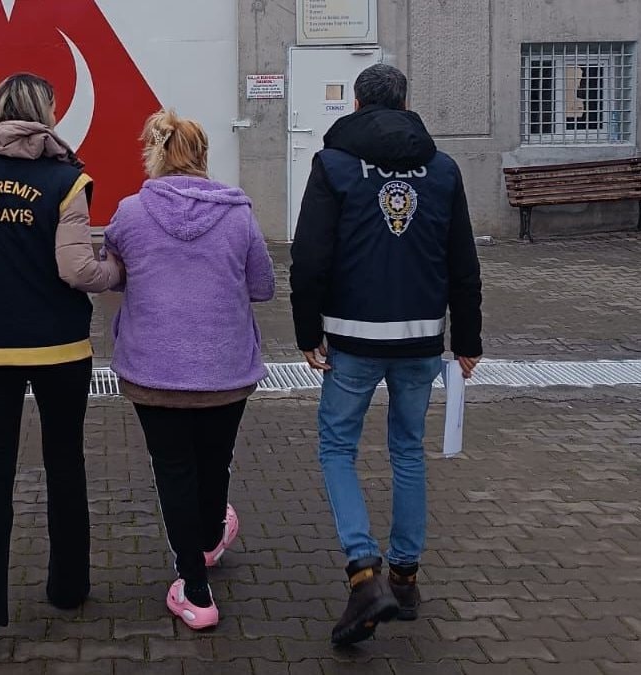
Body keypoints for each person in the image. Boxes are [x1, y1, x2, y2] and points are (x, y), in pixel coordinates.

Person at [289, 64, 484, 646]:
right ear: (404, 103)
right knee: (407, 450)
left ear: (355, 104)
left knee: (336, 448)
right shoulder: (442, 169)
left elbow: (310, 257)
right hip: (421, 338)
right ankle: (404, 577)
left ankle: (363, 572)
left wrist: (307, 330)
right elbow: (463, 261)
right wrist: (467, 340)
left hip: (351, 339)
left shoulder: (334, 165)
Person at [0, 73, 123, 651]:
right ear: (45, 115)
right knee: (64, 461)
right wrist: (117, 272)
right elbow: (76, 269)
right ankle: (68, 587)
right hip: (59, 347)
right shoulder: (69, 181)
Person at [104, 109, 276, 630]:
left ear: (154, 154)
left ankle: (195, 591)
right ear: (203, 156)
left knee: (173, 471)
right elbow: (263, 286)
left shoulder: (130, 212)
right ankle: (208, 540)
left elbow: (116, 274)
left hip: (153, 370)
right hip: (225, 368)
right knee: (215, 461)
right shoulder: (239, 214)